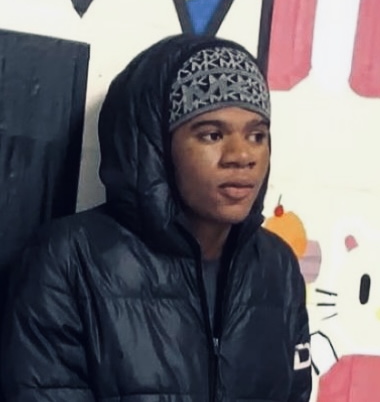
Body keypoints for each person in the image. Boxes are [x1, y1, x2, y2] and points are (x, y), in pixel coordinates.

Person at [1, 34, 312, 402]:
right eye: (212, 134)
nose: (242, 156)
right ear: (156, 147)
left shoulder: (277, 267)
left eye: (257, 135)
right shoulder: (69, 261)